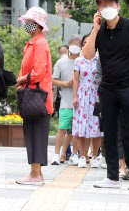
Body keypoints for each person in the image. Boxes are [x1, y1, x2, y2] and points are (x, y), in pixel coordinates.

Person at [84, 0, 129, 191]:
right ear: (98, 9)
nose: (107, 8)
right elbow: (87, 55)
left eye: (110, 4)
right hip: (107, 88)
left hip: (128, 86)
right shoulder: (100, 30)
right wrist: (95, 29)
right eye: (102, 5)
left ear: (118, 5)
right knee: (109, 133)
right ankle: (112, 177)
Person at [15, 7, 53, 186]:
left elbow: (39, 72)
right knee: (32, 133)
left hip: (38, 97)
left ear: (37, 25)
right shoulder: (33, 43)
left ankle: (36, 174)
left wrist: (20, 80)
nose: (26, 25)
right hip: (32, 94)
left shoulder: (39, 44)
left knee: (36, 134)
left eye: (29, 22)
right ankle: (35, 173)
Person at [72, 34, 103, 169]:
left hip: (96, 95)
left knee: (96, 126)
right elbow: (76, 80)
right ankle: (82, 156)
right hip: (82, 95)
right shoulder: (78, 61)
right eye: (84, 43)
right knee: (81, 127)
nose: (87, 45)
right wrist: (75, 97)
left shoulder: (100, 60)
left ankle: (95, 156)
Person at [51, 36, 81, 165]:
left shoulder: (84, 61)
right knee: (62, 129)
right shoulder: (61, 63)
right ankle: (57, 154)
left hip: (81, 103)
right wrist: (67, 84)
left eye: (77, 44)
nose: (75, 46)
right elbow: (53, 80)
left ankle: (74, 154)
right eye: (72, 43)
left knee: (76, 131)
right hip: (65, 102)